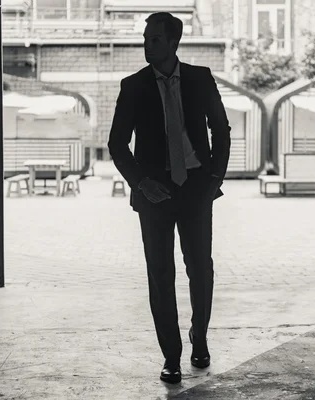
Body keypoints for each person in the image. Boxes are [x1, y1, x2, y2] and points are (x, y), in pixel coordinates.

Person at [107, 12, 231, 384]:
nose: (148, 45)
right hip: (154, 194)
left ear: (174, 42)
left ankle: (200, 336)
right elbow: (116, 144)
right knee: (160, 275)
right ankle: (171, 355)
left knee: (201, 270)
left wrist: (213, 181)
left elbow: (220, 129)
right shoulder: (133, 86)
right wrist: (141, 183)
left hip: (196, 188)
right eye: (146, 38)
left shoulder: (200, 78)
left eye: (155, 39)